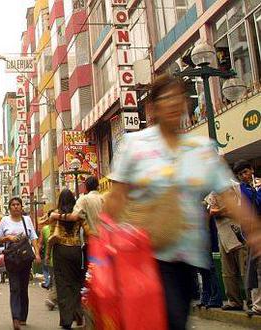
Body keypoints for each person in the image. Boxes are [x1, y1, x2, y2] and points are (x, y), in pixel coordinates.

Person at [103, 74, 261, 330]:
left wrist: (254, 231)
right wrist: (104, 247)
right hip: (143, 257)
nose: (175, 103)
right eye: (167, 98)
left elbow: (229, 195)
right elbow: (116, 198)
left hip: (187, 259)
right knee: (165, 319)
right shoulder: (135, 144)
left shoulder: (202, 149)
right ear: (153, 107)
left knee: (174, 319)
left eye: (180, 97)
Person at [46, 189, 90, 329]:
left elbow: (51, 237)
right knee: (76, 284)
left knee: (63, 285)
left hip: (60, 251)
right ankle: (78, 314)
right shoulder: (79, 215)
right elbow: (88, 231)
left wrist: (47, 255)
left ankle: (66, 320)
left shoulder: (55, 215)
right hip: (76, 251)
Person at [0, 197, 40, 330]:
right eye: (13, 205)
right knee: (14, 287)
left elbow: (33, 238)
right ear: (9, 208)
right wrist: (8, 237)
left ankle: (23, 317)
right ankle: (15, 318)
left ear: (21, 207)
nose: (16, 207)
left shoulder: (27, 220)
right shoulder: (5, 220)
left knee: (23, 287)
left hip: (25, 258)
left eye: (18, 204)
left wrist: (37, 253)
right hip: (11, 259)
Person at [207, 185, 246, 311]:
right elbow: (212, 211)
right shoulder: (213, 192)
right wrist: (224, 210)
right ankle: (234, 301)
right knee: (227, 271)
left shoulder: (235, 187)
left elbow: (239, 209)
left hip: (238, 232)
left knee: (244, 270)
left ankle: (252, 302)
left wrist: (221, 211)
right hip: (222, 233)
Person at [233, 160, 261, 317]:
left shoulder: (256, 187)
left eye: (246, 171)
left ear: (251, 170)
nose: (245, 175)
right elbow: (251, 205)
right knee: (254, 270)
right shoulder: (242, 189)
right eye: (241, 174)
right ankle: (256, 304)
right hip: (252, 234)